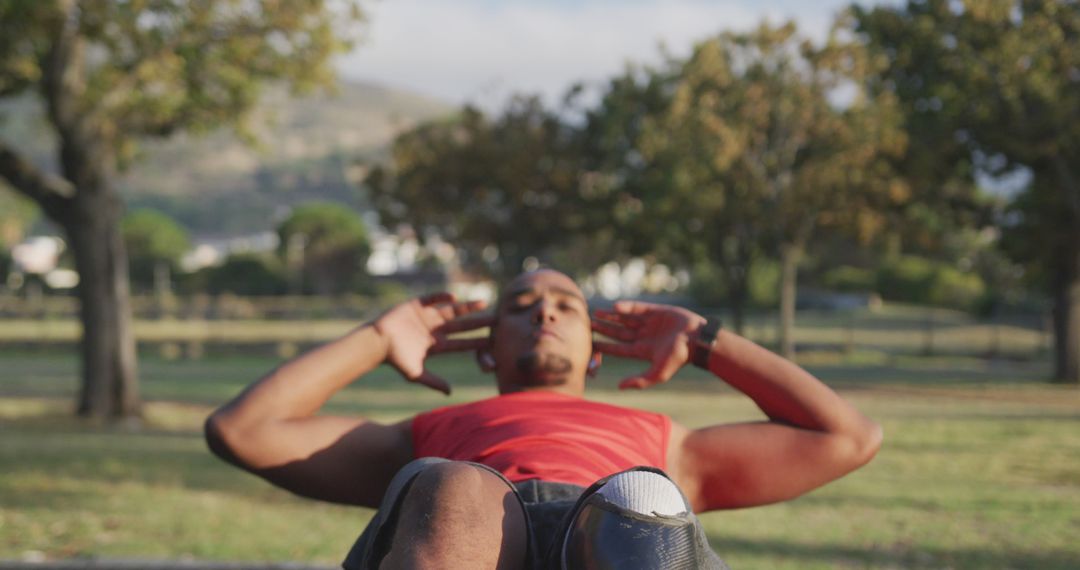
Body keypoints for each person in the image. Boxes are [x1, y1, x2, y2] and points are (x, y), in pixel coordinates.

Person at [205, 269, 882, 569]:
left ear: (596, 353)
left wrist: (707, 341)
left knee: (638, 504)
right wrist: (381, 338)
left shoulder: (667, 443)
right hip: (462, 538)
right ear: (484, 348)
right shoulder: (421, 440)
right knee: (458, 486)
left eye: (566, 304)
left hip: (618, 545)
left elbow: (847, 438)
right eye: (520, 305)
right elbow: (244, 430)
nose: (545, 311)